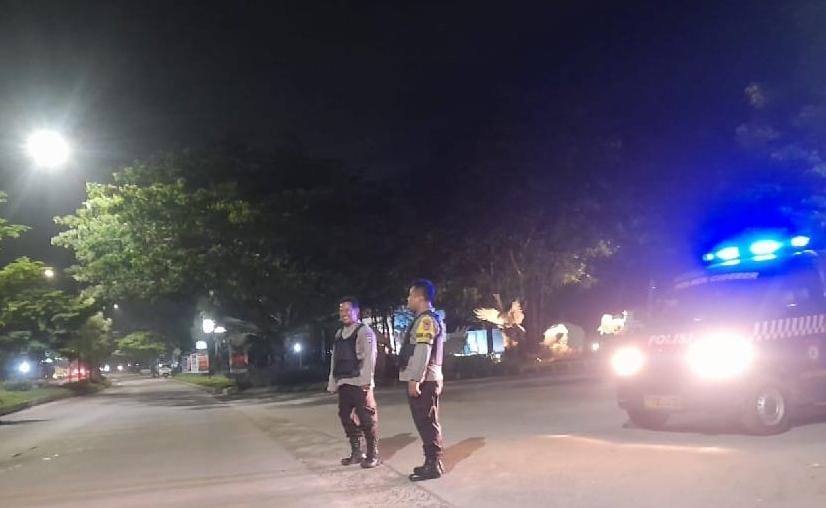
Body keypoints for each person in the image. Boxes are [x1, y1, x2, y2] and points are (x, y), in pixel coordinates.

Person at [398, 279, 446, 481]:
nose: (408, 299)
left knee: (427, 422)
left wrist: (415, 379)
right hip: (427, 378)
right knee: (425, 421)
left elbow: (423, 351)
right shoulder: (425, 319)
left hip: (425, 380)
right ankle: (432, 462)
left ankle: (433, 464)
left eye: (410, 295)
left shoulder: (426, 321)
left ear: (419, 297)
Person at [327, 297, 381, 468]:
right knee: (345, 416)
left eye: (347, 310)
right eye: (341, 310)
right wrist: (332, 383)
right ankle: (357, 452)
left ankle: (372, 454)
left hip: (359, 382)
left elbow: (370, 357)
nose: (344, 313)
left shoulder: (364, 331)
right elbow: (335, 360)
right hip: (344, 382)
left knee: (366, 419)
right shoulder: (339, 334)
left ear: (356, 312)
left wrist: (367, 382)